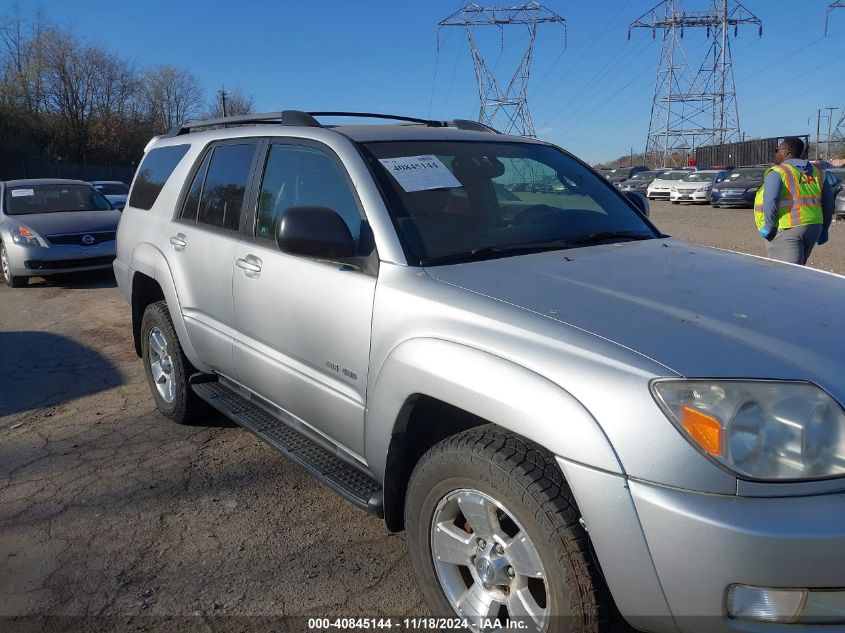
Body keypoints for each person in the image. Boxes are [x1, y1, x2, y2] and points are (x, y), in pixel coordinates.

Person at [754, 137, 833, 265]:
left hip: (788, 229)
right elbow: (829, 203)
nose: (776, 153)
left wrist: (769, 226)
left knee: (785, 274)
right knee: (799, 269)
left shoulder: (778, 172)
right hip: (814, 227)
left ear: (786, 152)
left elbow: (771, 200)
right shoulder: (817, 173)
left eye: (777, 150)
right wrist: (824, 229)